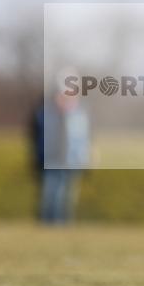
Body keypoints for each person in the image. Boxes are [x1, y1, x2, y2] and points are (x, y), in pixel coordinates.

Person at [36, 84, 90, 224]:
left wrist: (85, 158)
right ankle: (49, 223)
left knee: (69, 195)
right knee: (52, 194)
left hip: (73, 161)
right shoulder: (47, 114)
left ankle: (65, 223)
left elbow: (83, 140)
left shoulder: (79, 115)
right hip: (52, 160)